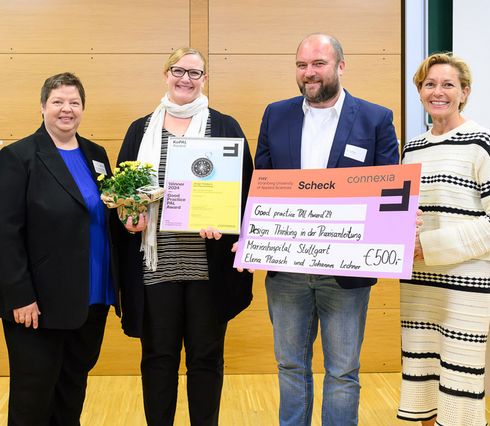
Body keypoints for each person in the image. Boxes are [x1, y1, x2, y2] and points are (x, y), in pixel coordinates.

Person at [254, 33, 399, 425]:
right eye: (302, 65)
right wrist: (253, 237)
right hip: (286, 271)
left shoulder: (376, 118)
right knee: (289, 366)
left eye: (318, 64)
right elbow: (261, 185)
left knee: (342, 372)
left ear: (340, 66)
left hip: (347, 274)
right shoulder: (275, 114)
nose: (309, 73)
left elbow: (391, 192)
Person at [117, 47, 253, 426]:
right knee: (158, 358)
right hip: (154, 265)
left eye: (195, 73)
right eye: (179, 70)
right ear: (166, 74)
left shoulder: (225, 127)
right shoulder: (140, 130)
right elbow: (122, 194)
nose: (186, 79)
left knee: (205, 359)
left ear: (205, 79)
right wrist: (129, 217)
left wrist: (224, 222)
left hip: (207, 267)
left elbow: (245, 194)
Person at [0, 72, 119, 426]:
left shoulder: (96, 155)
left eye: (74, 103)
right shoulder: (18, 157)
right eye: (58, 102)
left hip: (92, 297)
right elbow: (5, 232)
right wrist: (19, 295)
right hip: (38, 305)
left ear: (83, 109)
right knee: (32, 398)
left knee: (71, 392)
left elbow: (107, 213)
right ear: (42, 107)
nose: (66, 110)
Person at [397, 53, 490, 426]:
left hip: (465, 285)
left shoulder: (480, 143)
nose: (438, 92)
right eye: (430, 84)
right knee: (422, 377)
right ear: (419, 91)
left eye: (448, 84)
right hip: (419, 283)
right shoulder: (412, 149)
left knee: (459, 383)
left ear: (464, 92)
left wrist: (430, 247)